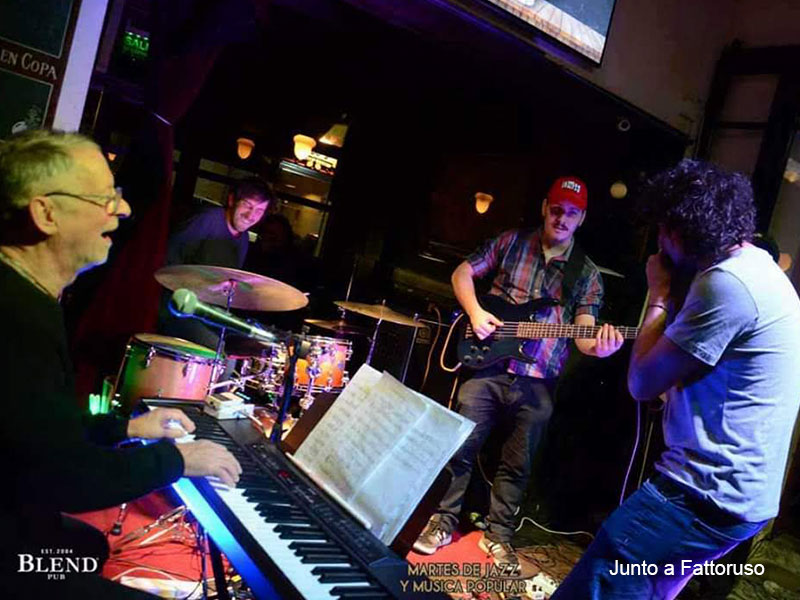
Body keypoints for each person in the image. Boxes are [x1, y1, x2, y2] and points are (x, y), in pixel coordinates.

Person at [0, 130, 242, 598]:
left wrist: (127, 427)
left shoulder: (25, 295)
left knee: (88, 547)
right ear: (46, 214)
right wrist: (176, 459)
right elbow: (66, 479)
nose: (124, 209)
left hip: (19, 516)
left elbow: (34, 434)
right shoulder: (15, 318)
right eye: (105, 199)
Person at [552, 160, 800, 599]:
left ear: (683, 231)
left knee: (596, 585)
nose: (659, 242)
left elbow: (642, 382)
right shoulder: (757, 266)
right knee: (652, 591)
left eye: (663, 230)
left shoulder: (727, 284)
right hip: (741, 501)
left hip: (701, 494)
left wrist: (659, 295)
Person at [414, 176, 624, 569]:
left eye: (572, 213)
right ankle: (442, 521)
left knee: (518, 463)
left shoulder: (586, 273)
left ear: (582, 218)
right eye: (557, 209)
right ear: (545, 207)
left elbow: (584, 334)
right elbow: (462, 274)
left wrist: (601, 347)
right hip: (488, 364)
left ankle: (498, 535)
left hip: (539, 380)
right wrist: (476, 313)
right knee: (459, 446)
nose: (562, 219)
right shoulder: (511, 242)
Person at [158, 177, 272, 348]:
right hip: (177, 307)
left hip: (204, 310)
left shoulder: (243, 238)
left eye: (259, 210)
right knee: (218, 347)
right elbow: (168, 264)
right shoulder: (207, 220)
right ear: (232, 200)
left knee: (251, 342)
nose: (251, 216)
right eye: (247, 205)